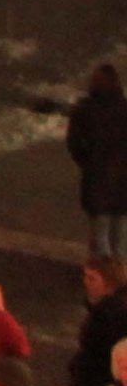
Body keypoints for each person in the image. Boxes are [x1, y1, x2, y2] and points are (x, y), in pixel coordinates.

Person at [74, 65, 127, 264]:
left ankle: (101, 278)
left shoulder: (85, 109)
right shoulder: (125, 109)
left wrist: (88, 163)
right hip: (123, 184)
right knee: (121, 236)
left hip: (97, 180)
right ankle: (120, 276)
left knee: (100, 234)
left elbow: (75, 144)